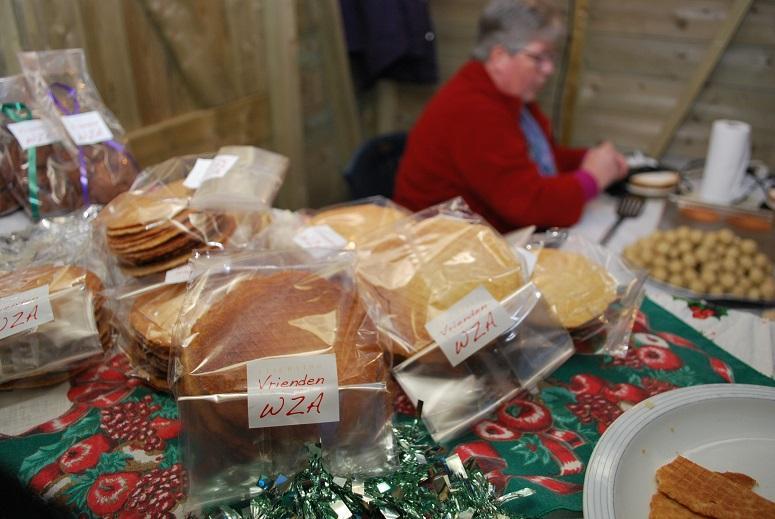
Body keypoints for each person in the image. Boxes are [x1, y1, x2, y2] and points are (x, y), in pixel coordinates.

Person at [393, 0, 628, 232]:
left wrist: (591, 158)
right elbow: (528, 205)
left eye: (551, 58)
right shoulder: (474, 110)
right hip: (440, 246)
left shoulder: (507, 96)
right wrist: (592, 178)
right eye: (538, 58)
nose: (549, 69)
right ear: (499, 57)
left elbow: (534, 160)